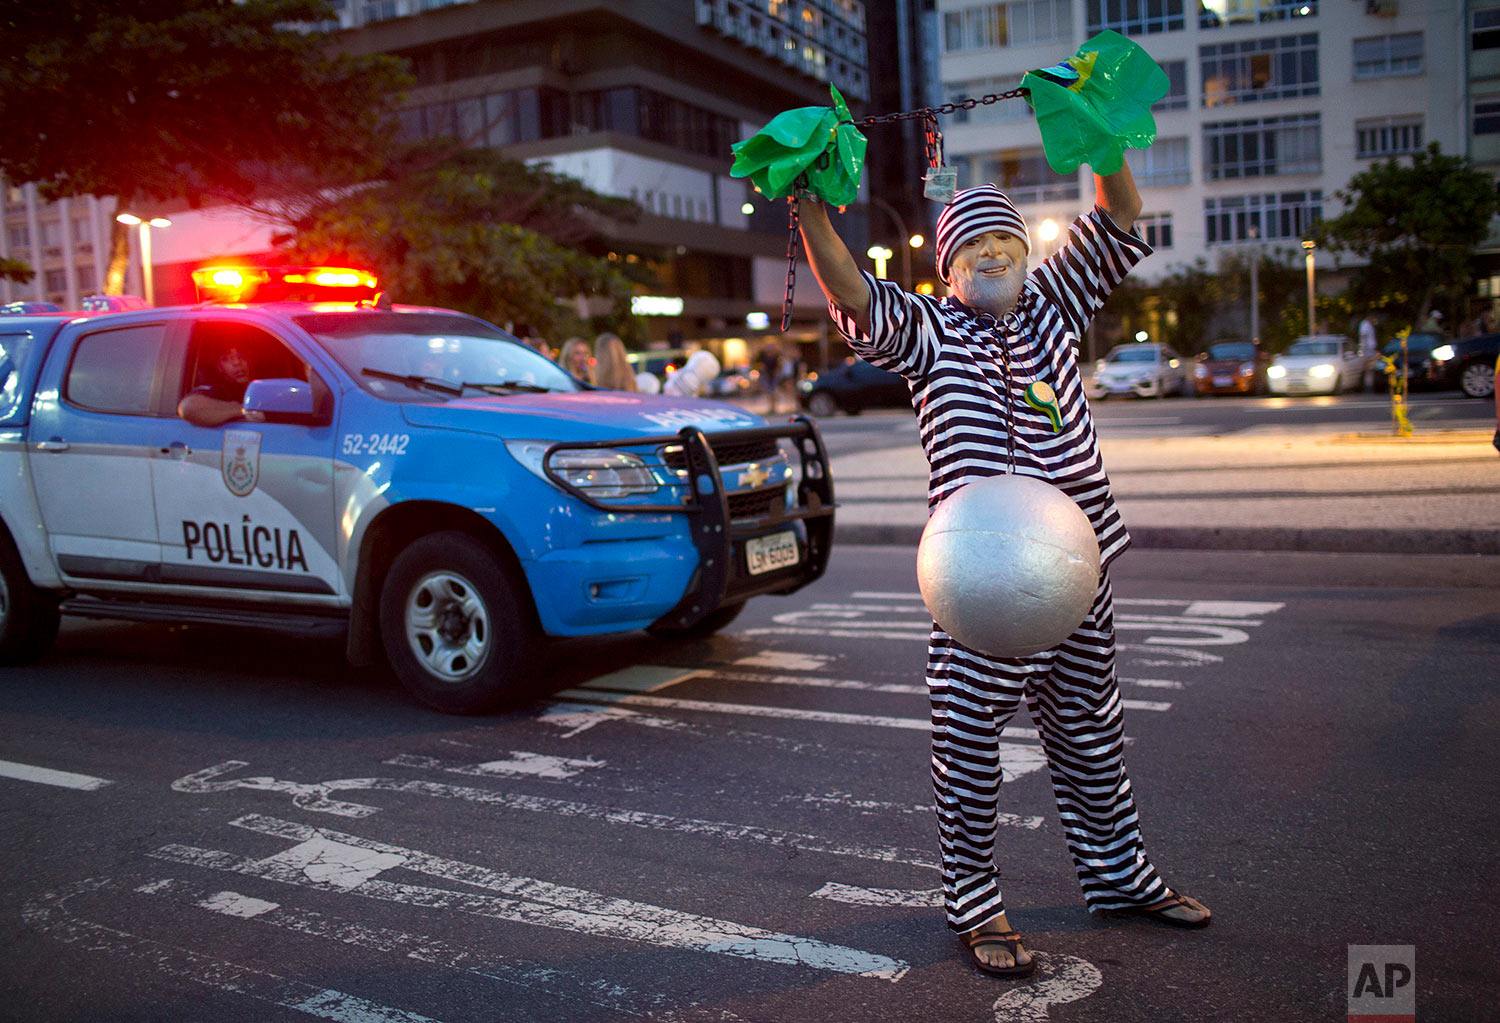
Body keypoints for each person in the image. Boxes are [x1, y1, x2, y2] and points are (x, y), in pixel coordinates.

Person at [797, 165, 1211, 980]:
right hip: (982, 581)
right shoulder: (930, 332)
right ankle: (976, 902)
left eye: (1005, 242)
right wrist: (811, 210)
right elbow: (852, 288)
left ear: (1027, 253)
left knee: (1092, 729)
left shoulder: (1056, 307)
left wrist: (1097, 137)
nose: (993, 256)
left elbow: (1119, 212)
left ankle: (1122, 877)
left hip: (1079, 564)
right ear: (946, 269)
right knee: (969, 740)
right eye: (973, 248)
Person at [178, 342, 264, 427]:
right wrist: (245, 410)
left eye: (242, 356)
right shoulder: (218, 390)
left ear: (253, 360)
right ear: (220, 367)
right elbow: (188, 407)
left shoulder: (266, 387)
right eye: (226, 359)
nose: (236, 362)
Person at [756, 340, 783, 413]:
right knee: (769, 392)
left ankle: (774, 407)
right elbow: (762, 367)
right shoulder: (764, 358)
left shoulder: (776, 358)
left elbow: (778, 367)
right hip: (767, 376)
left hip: (773, 377)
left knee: (773, 392)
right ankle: (771, 407)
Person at [1358, 315, 1378, 392]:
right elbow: (1364, 337)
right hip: (1367, 351)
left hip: (1369, 350)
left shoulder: (1368, 325)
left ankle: (1369, 386)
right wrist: (1364, 350)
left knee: (1370, 370)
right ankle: (1367, 387)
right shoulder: (1365, 325)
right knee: (1368, 370)